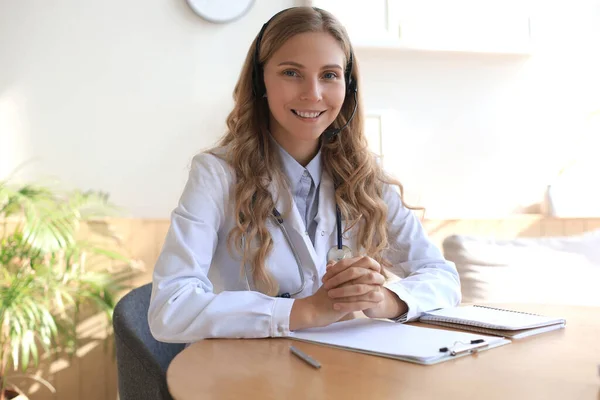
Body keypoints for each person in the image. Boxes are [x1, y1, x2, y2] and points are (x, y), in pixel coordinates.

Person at [148, 6, 460, 343]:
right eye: (291, 73)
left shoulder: (366, 176)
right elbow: (170, 309)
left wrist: (383, 299)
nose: (313, 93)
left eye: (329, 75)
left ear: (348, 86)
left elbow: (442, 277)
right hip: (246, 376)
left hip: (340, 371)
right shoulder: (216, 174)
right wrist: (307, 311)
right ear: (260, 81)